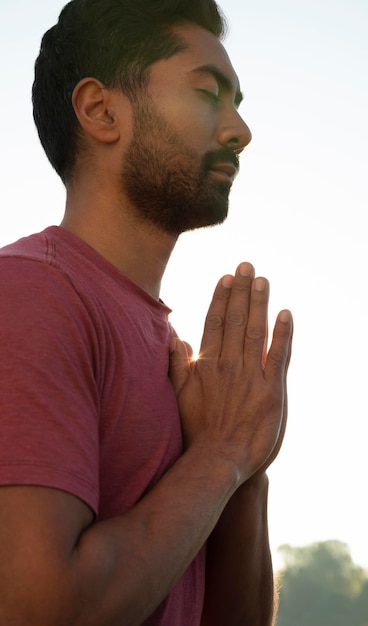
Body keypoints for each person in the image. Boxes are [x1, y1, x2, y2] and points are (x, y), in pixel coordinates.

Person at [0, 1, 293, 624]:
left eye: (238, 101)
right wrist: (220, 458)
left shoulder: (175, 355)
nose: (240, 129)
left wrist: (245, 466)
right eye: (209, 93)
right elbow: (39, 609)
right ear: (102, 111)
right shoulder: (29, 294)